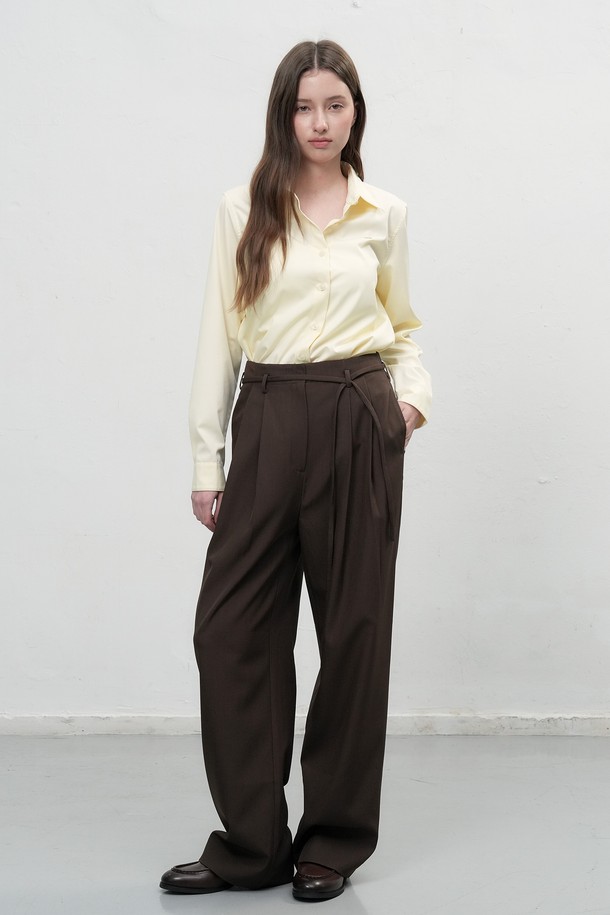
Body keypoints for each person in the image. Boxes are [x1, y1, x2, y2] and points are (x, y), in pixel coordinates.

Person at [160, 39, 432, 903]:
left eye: (334, 105)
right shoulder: (244, 208)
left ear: (355, 113)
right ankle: (252, 842)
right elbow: (219, 334)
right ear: (283, 114)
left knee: (354, 632)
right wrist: (207, 457)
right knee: (229, 631)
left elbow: (403, 328)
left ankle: (333, 840)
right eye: (304, 106)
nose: (320, 122)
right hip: (269, 412)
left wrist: (407, 405)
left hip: (358, 412)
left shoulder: (383, 212)